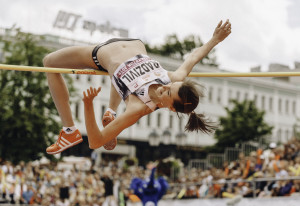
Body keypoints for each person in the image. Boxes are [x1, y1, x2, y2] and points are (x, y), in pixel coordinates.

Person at [43, 19, 231, 154]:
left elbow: (95, 141)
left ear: (171, 107)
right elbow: (193, 57)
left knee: (49, 62)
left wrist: (88, 105)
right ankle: (111, 111)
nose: (164, 86)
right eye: (170, 86)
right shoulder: (172, 77)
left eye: (168, 92)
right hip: (132, 44)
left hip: (99, 54)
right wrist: (215, 39)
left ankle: (69, 131)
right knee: (122, 77)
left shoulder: (138, 108)